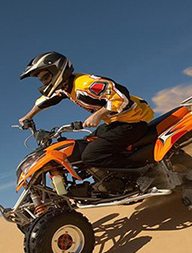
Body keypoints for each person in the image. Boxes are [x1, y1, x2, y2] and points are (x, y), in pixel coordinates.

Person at [18, 51, 154, 170]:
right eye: (42, 80)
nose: (44, 82)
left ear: (57, 70)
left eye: (45, 77)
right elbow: (49, 99)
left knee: (92, 156)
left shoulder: (85, 85)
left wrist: (98, 115)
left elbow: (121, 96)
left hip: (134, 120)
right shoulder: (66, 87)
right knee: (85, 144)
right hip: (117, 122)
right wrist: (28, 116)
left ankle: (144, 173)